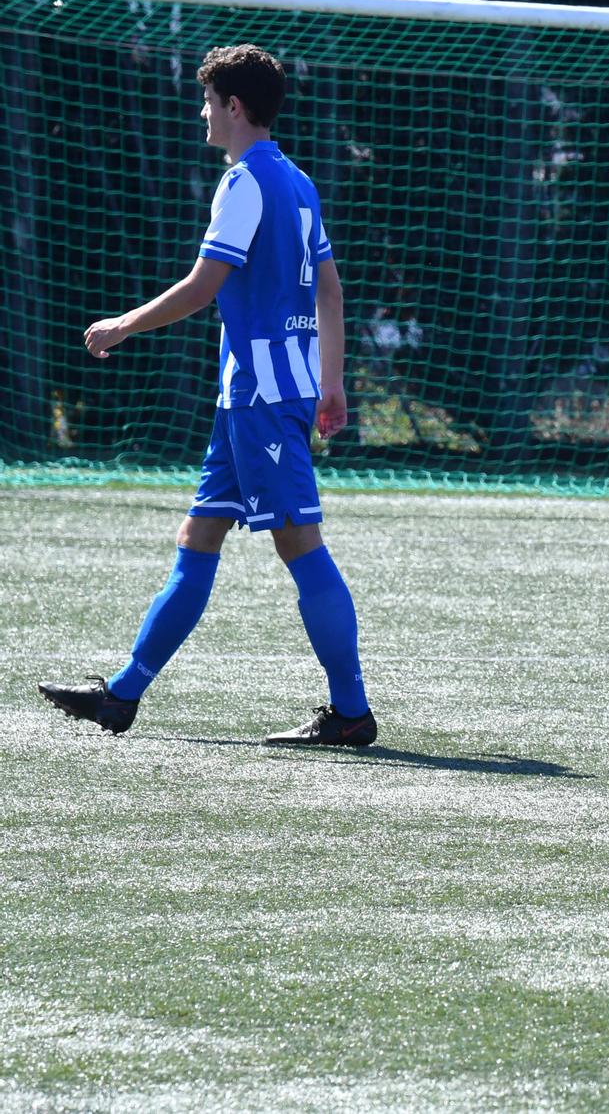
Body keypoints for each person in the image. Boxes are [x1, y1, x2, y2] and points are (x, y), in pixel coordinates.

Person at [37, 44, 376, 746]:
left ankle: (351, 711)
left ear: (234, 107)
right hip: (249, 400)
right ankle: (122, 695)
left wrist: (123, 324)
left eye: (208, 101)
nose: (201, 113)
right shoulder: (297, 179)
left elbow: (202, 286)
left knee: (300, 544)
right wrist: (333, 379)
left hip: (262, 398)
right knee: (199, 536)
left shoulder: (246, 181)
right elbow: (330, 288)